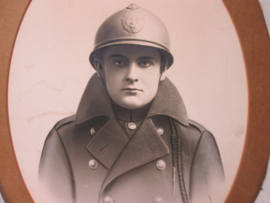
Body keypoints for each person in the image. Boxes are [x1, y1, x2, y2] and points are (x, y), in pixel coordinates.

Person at [39, 4, 224, 203]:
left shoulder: (194, 142)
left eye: (145, 63)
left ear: (163, 70)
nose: (132, 76)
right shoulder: (65, 139)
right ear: (100, 69)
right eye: (119, 62)